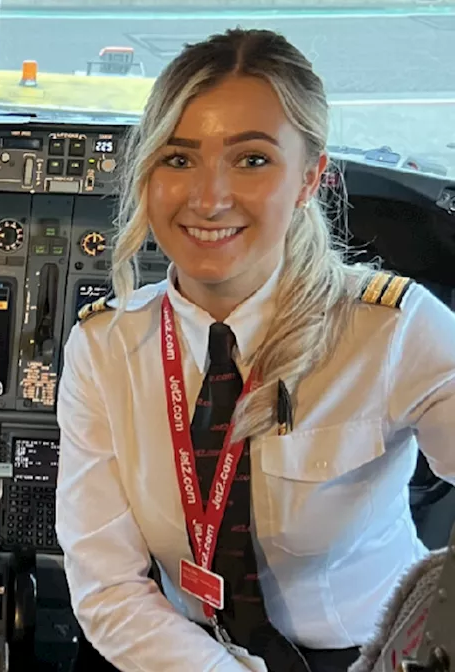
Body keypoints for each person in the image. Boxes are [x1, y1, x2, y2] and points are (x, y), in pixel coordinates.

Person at [55, 28, 455, 672]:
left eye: (252, 159)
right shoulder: (103, 348)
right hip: (179, 647)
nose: (208, 198)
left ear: (309, 178)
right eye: (179, 159)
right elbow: (108, 587)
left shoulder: (394, 330)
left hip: (362, 656)